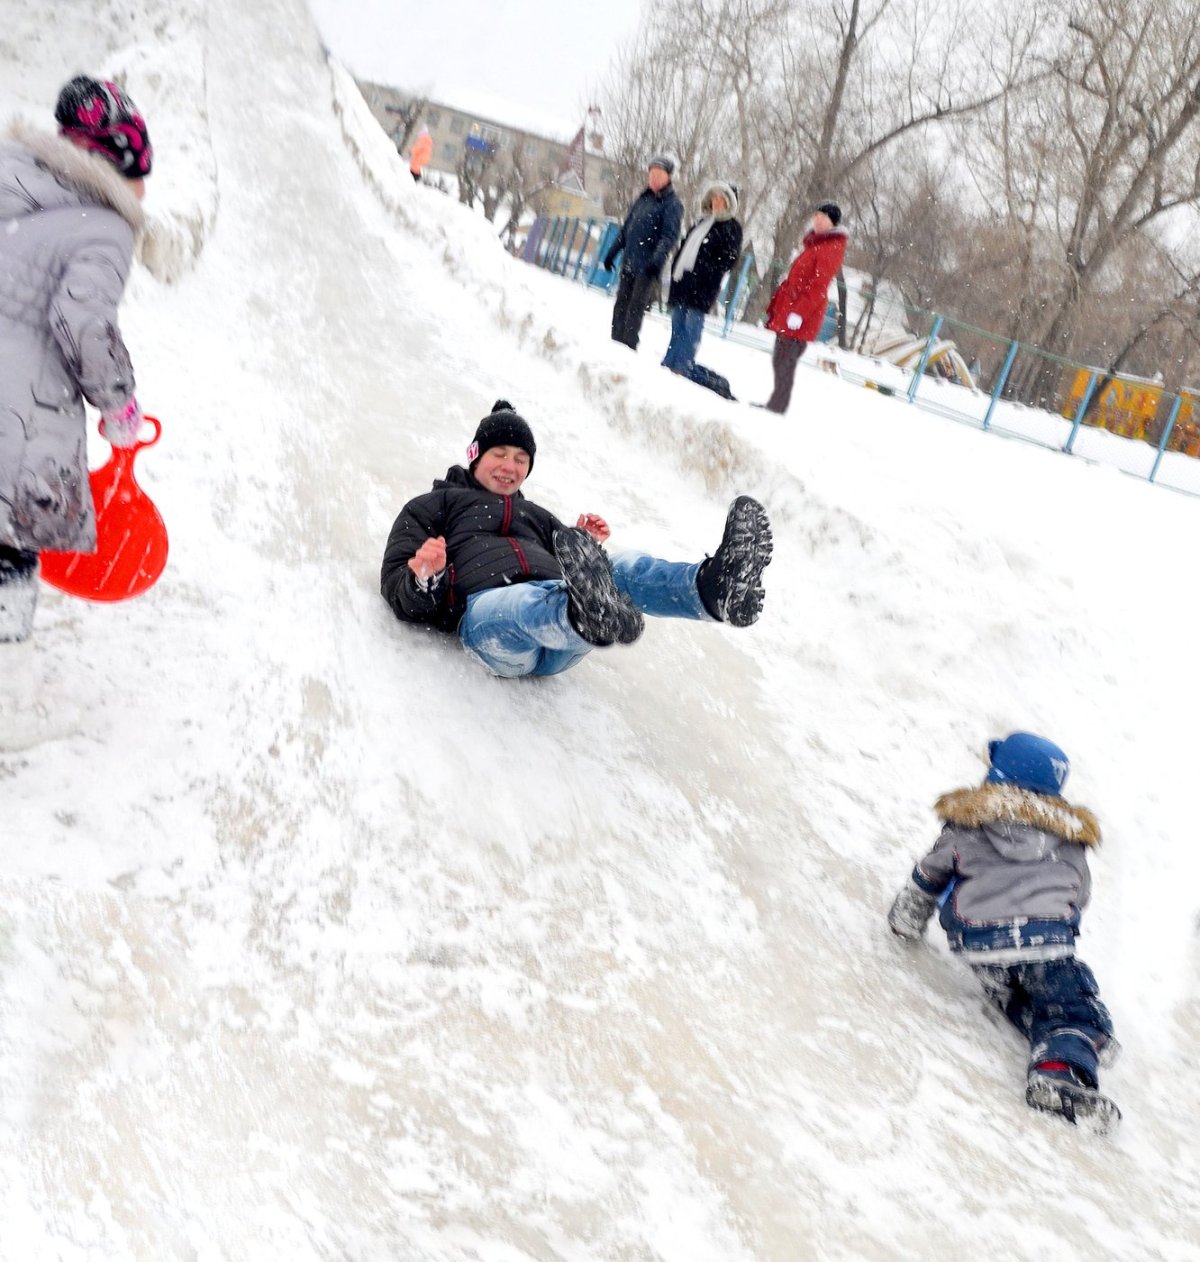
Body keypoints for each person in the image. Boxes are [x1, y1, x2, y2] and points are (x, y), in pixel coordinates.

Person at [380, 400, 773, 679]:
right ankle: (580, 611)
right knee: (522, 600)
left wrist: (584, 544)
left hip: (568, 642)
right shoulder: (435, 505)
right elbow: (397, 587)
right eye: (499, 454)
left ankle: (712, 589)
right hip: (492, 625)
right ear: (476, 456)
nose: (509, 466)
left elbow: (576, 563)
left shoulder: (538, 516)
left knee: (622, 567)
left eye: (521, 459)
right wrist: (423, 577)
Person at [887, 732, 1121, 1133]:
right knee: (1077, 1010)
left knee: (1022, 989)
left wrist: (906, 919)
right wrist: (1062, 931)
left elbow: (929, 874)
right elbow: (1078, 894)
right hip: (1044, 943)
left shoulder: (968, 825)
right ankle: (1057, 1070)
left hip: (976, 940)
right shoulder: (1068, 839)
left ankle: (1016, 1001)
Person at [0, 75, 153, 647]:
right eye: (139, 175)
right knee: (8, 559)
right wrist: (120, 404)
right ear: (116, 169)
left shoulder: (11, 183)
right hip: (18, 429)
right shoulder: (105, 226)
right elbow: (83, 323)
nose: (142, 191)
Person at [758, 202, 848, 414]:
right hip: (791, 308)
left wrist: (799, 313)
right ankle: (775, 404)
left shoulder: (829, 248)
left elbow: (818, 286)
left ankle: (777, 407)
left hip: (801, 314)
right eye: (816, 215)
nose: (818, 220)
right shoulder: (816, 245)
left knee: (784, 360)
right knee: (780, 359)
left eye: (824, 217)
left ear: (833, 223)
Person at [661, 179, 743, 400]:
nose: (717, 203)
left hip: (702, 288)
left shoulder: (731, 228)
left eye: (721, 199)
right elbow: (684, 250)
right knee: (678, 325)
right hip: (684, 284)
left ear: (729, 203)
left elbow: (729, 260)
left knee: (691, 328)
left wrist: (706, 268)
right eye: (714, 198)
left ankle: (682, 367)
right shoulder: (701, 223)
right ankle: (670, 362)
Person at [603, 155, 684, 351]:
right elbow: (627, 229)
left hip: (647, 267)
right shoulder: (643, 199)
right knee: (621, 303)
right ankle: (615, 342)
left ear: (669, 177)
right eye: (651, 174)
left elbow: (669, 237)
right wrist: (612, 252)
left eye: (659, 175)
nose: (654, 178)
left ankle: (628, 345)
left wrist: (656, 261)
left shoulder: (672, 205)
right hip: (630, 260)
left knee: (635, 307)